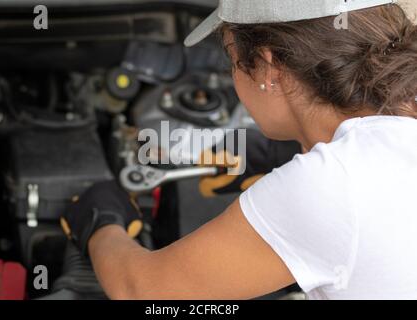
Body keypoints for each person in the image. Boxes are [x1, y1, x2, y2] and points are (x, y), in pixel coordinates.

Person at [62, 0, 417, 300]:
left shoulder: (329, 184)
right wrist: (278, 155)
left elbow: (141, 291)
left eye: (232, 60)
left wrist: (102, 222)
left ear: (268, 68)